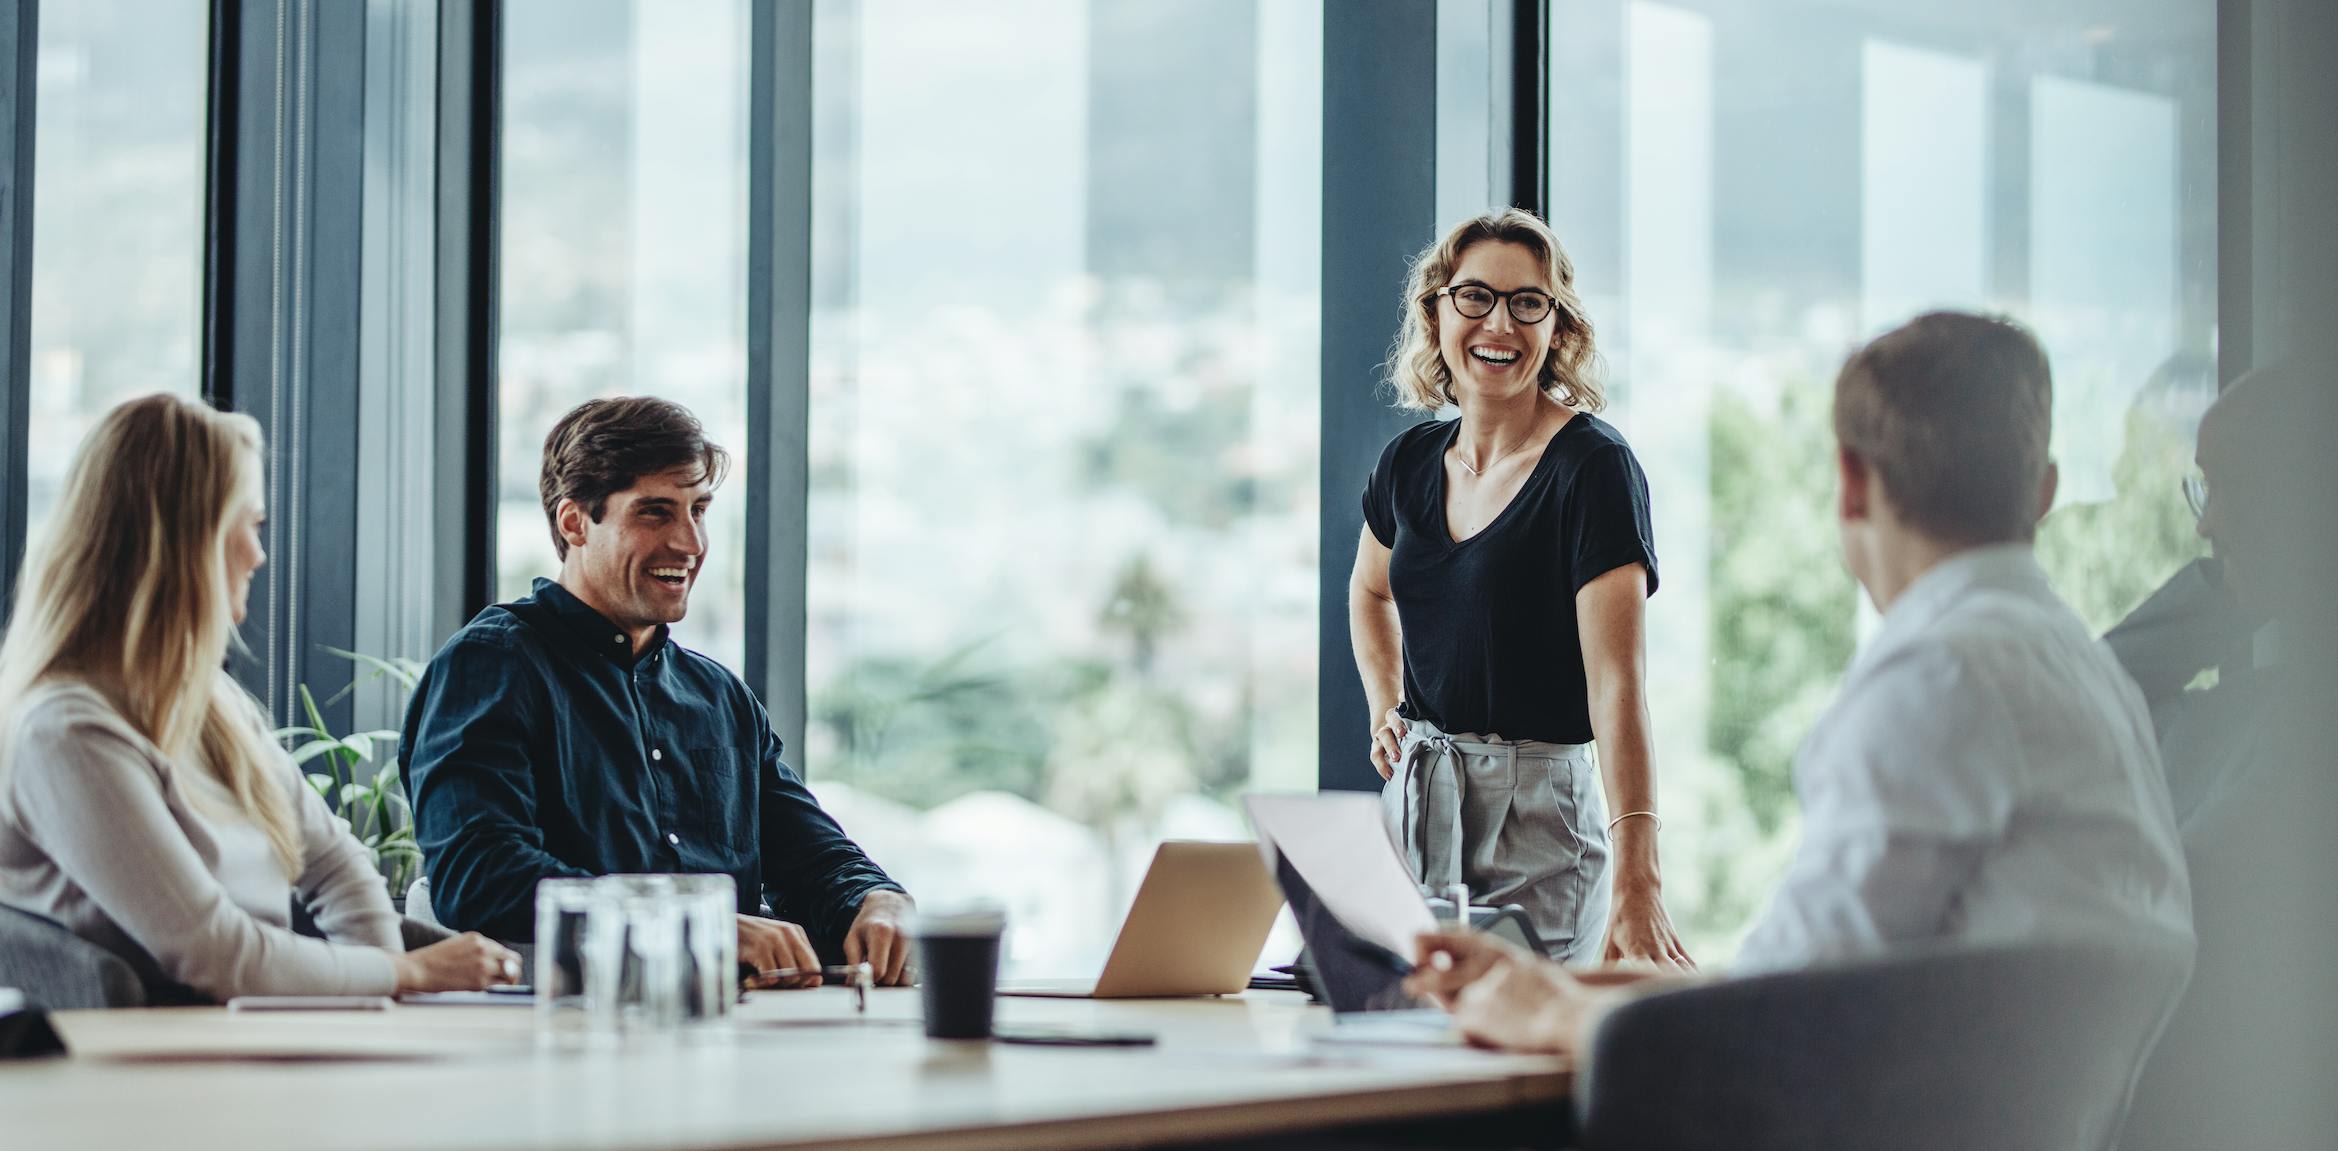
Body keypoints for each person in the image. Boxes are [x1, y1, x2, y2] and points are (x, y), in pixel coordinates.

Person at [1404, 312, 2194, 1053]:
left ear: (1850, 482)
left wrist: (1548, 1011)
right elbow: (1813, 974)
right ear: (2044, 491)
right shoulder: (2083, 670)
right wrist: (1565, 984)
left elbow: (1777, 1024)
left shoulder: (1937, 680)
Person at [0, 394, 518, 1001]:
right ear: (183, 544)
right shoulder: (66, 734)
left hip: (249, 1034)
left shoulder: (210, 701)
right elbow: (214, 953)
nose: (259, 553)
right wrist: (404, 972)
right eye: (248, 525)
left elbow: (334, 862)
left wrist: (380, 996)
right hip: (151, 1064)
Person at [405, 397, 912, 987]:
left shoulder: (719, 696)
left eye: (699, 511)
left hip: (735, 1030)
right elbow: (481, 876)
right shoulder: (491, 666)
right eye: (655, 513)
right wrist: (696, 924)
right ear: (574, 523)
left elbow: (811, 855)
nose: (690, 543)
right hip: (560, 1035)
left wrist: (877, 898)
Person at [1349, 207, 1688, 967]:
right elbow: (1369, 592)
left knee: (1518, 1064)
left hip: (1538, 820)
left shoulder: (1593, 469)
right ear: (1437, 311)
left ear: (1557, 327)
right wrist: (1383, 706)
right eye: (1475, 296)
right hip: (1416, 803)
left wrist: (1641, 876)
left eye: (1526, 302)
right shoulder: (1407, 463)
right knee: (1406, 1050)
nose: (1498, 322)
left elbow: (1618, 687)